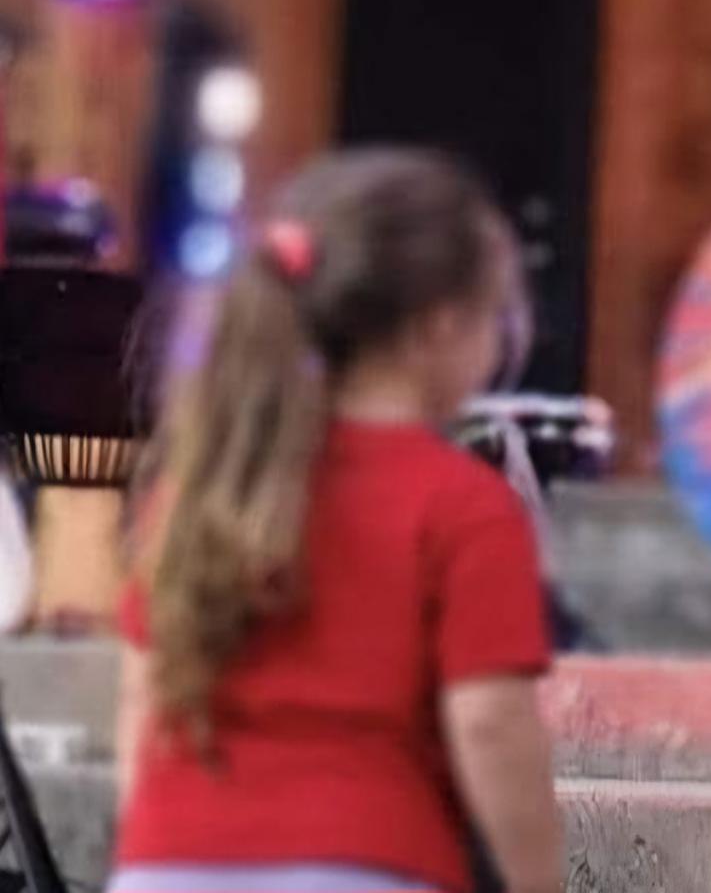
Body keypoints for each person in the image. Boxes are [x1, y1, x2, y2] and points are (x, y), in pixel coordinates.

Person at [111, 150, 563, 893]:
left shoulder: (203, 490)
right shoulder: (464, 504)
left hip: (168, 863)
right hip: (366, 863)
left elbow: (142, 700)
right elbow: (490, 724)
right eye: (498, 315)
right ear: (439, 328)